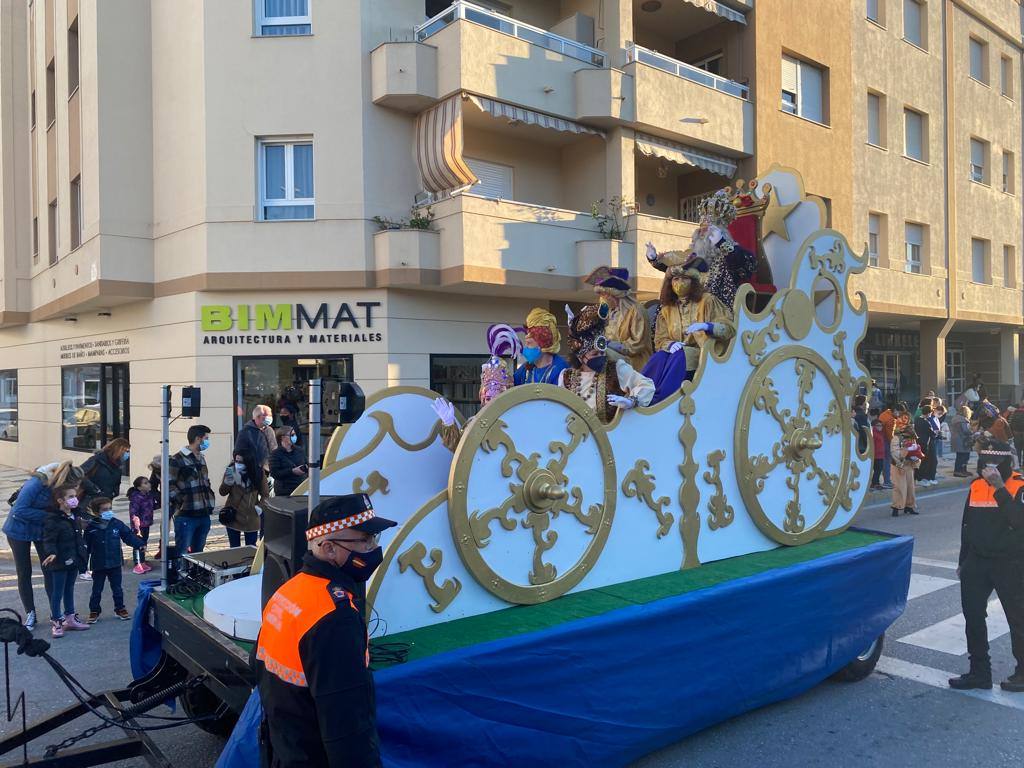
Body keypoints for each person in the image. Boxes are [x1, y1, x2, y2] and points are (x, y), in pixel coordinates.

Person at [256, 494, 397, 767]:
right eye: (364, 540)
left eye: (374, 539)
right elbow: (346, 727)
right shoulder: (335, 617)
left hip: (285, 748)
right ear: (329, 548)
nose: (372, 548)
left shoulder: (288, 590)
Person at [948, 439, 1024, 693]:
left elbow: (1018, 520)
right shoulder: (976, 486)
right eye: (984, 463)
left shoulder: (1019, 485)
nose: (988, 469)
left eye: (994, 464)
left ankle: (1023, 672)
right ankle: (979, 672)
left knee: (1018, 618)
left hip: (1010, 562)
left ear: (1006, 464)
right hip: (977, 561)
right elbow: (967, 524)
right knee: (973, 616)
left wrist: (1000, 487)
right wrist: (963, 560)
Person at [641, 252, 734, 405]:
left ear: (693, 281)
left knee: (680, 356)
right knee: (660, 357)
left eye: (684, 278)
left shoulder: (708, 301)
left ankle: (660, 401)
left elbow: (729, 328)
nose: (679, 283)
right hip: (676, 355)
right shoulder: (667, 309)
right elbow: (660, 339)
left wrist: (707, 326)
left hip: (705, 355)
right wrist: (670, 344)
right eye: (676, 279)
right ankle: (640, 392)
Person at [3, 462, 81, 630]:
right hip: (18, 530)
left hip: (41, 530)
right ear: (62, 480)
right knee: (24, 572)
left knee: (51, 570)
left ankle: (57, 614)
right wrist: (49, 516)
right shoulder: (36, 484)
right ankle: (30, 613)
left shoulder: (60, 487)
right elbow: (20, 510)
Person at [558, 303, 655, 424]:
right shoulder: (566, 377)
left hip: (610, 439)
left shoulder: (616, 369)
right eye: (594, 354)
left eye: (602, 353)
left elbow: (647, 385)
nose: (600, 357)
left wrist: (631, 401)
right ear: (580, 357)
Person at [40, 483, 90, 638]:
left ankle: (70, 618)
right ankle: (57, 621)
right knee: (58, 592)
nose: (75, 499)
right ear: (60, 501)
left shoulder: (75, 515)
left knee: (69, 589)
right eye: (71, 497)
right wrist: (52, 553)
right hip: (60, 561)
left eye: (75, 496)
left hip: (73, 558)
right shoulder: (53, 519)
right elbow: (49, 539)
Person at [436, 354, 515, 451]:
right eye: (488, 399)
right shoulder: (473, 423)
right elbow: (459, 450)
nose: (490, 403)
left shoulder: (515, 422)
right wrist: (449, 425)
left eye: (496, 399)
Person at [84, 497, 144, 623]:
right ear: (96, 512)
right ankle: (94, 611)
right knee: (96, 589)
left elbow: (128, 536)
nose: (109, 511)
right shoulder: (91, 527)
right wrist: (82, 564)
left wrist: (139, 544)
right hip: (98, 563)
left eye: (110, 508)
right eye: (104, 509)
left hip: (115, 562)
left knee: (117, 588)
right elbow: (86, 547)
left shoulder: (117, 523)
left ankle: (120, 608)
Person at [584, 266, 652, 372]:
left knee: (599, 357)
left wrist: (609, 345)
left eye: (603, 294)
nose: (601, 298)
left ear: (614, 293)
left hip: (635, 366)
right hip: (614, 364)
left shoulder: (636, 311)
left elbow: (637, 346)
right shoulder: (608, 312)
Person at [168, 424, 217, 555]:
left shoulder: (201, 458)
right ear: (198, 439)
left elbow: (205, 481)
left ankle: (196, 574)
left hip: (204, 513)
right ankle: (181, 574)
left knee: (198, 553)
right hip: (186, 515)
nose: (208, 441)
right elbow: (168, 485)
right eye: (206, 438)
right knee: (182, 552)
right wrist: (181, 501)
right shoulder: (176, 459)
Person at [219, 449, 266, 548]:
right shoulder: (231, 470)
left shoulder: (258, 472)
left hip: (251, 517)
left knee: (250, 549)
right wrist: (227, 483)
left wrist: (259, 507)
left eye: (241, 462)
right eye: (236, 461)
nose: (238, 464)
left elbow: (265, 494)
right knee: (234, 549)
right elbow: (222, 492)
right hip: (232, 515)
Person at [514, 308, 569, 386]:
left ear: (543, 344)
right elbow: (510, 386)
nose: (525, 348)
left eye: (529, 343)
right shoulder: (525, 370)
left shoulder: (561, 370)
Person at [80, 438, 131, 505]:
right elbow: (80, 475)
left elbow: (115, 482)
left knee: (107, 515)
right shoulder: (97, 459)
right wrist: (95, 489)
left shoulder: (117, 464)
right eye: (126, 451)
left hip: (106, 501)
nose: (127, 454)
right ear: (119, 450)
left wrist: (114, 493)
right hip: (91, 500)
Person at [891, 421, 923, 516]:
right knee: (899, 487)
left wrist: (916, 458)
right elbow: (894, 453)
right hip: (898, 466)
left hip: (909, 465)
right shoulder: (896, 439)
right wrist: (904, 454)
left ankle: (909, 506)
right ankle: (896, 508)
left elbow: (917, 450)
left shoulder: (912, 439)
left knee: (910, 487)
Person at [128, 476, 157, 574]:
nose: (148, 484)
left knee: (144, 543)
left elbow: (153, 506)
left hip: (146, 524)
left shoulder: (148, 495)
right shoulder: (136, 497)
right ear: (139, 487)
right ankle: (137, 564)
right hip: (139, 526)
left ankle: (142, 561)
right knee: (137, 544)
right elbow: (134, 513)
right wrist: (137, 526)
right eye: (145, 483)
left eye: (148, 482)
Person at [270, 426, 308, 497]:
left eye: (294, 434)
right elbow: (274, 473)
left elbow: (307, 464)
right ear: (282, 437)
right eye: (292, 435)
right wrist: (292, 471)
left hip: (301, 488)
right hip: (284, 491)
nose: (294, 437)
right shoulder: (275, 454)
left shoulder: (300, 450)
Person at [236, 405, 274, 472]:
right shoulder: (245, 432)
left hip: (269, 471)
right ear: (257, 417)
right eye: (266, 415)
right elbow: (238, 452)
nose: (269, 417)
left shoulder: (269, 430)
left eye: (270, 415)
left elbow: (274, 448)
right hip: (252, 472)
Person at [914, 401, 939, 486]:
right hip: (925, 444)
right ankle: (921, 479)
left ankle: (918, 478)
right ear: (928, 413)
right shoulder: (926, 422)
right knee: (924, 462)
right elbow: (932, 433)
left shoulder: (917, 420)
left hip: (917, 443)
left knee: (919, 461)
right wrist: (937, 433)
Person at [950, 405, 975, 478]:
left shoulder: (956, 419)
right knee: (964, 457)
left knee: (960, 456)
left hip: (957, 440)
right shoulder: (963, 420)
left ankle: (961, 470)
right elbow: (966, 431)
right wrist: (973, 431)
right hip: (963, 440)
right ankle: (960, 471)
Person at [876, 405, 896, 489]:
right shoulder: (890, 418)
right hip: (885, 441)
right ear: (895, 410)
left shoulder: (885, 414)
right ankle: (887, 481)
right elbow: (889, 434)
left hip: (882, 440)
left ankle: (886, 480)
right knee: (886, 461)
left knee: (885, 461)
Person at [870, 419, 886, 490]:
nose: (880, 427)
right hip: (876, 455)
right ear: (874, 426)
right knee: (877, 469)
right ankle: (875, 483)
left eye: (881, 425)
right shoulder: (873, 433)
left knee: (878, 470)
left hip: (880, 455)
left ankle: (876, 482)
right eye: (878, 425)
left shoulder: (880, 433)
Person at [1010, 401, 1024, 466]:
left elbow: (1011, 424)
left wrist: (1013, 432)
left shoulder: (1015, 413)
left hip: (1017, 434)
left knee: (1018, 450)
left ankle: (1019, 463)